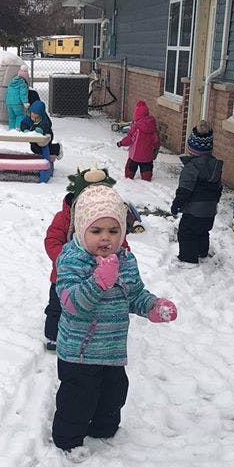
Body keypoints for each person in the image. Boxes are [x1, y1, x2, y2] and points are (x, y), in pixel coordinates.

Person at [51, 185, 177, 451]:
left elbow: (134, 293)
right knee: (77, 399)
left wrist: (153, 306)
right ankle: (68, 442)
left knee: (113, 395)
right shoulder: (71, 260)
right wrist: (98, 282)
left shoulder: (125, 260)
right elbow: (72, 304)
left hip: (113, 350)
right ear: (82, 230)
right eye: (96, 231)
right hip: (79, 352)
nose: (105, 238)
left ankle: (103, 431)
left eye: (113, 230)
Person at [43, 166, 121, 352]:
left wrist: (117, 260)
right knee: (57, 306)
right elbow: (52, 240)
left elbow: (121, 244)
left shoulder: (109, 222)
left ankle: (90, 335)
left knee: (92, 307)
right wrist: (66, 259)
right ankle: (53, 337)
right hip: (65, 275)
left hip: (100, 276)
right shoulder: (65, 217)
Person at [170, 120, 223, 264]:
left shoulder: (191, 167)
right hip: (210, 210)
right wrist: (214, 203)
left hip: (194, 210)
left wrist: (177, 204)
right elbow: (219, 188)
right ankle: (201, 252)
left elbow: (184, 190)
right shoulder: (215, 166)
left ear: (192, 148)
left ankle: (188, 259)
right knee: (202, 231)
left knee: (186, 232)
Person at [116, 100, 160, 180]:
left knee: (129, 171)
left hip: (135, 156)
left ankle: (130, 175)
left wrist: (121, 143)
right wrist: (155, 149)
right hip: (147, 157)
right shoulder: (153, 127)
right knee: (147, 171)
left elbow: (129, 139)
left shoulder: (136, 127)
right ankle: (146, 175)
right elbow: (156, 141)